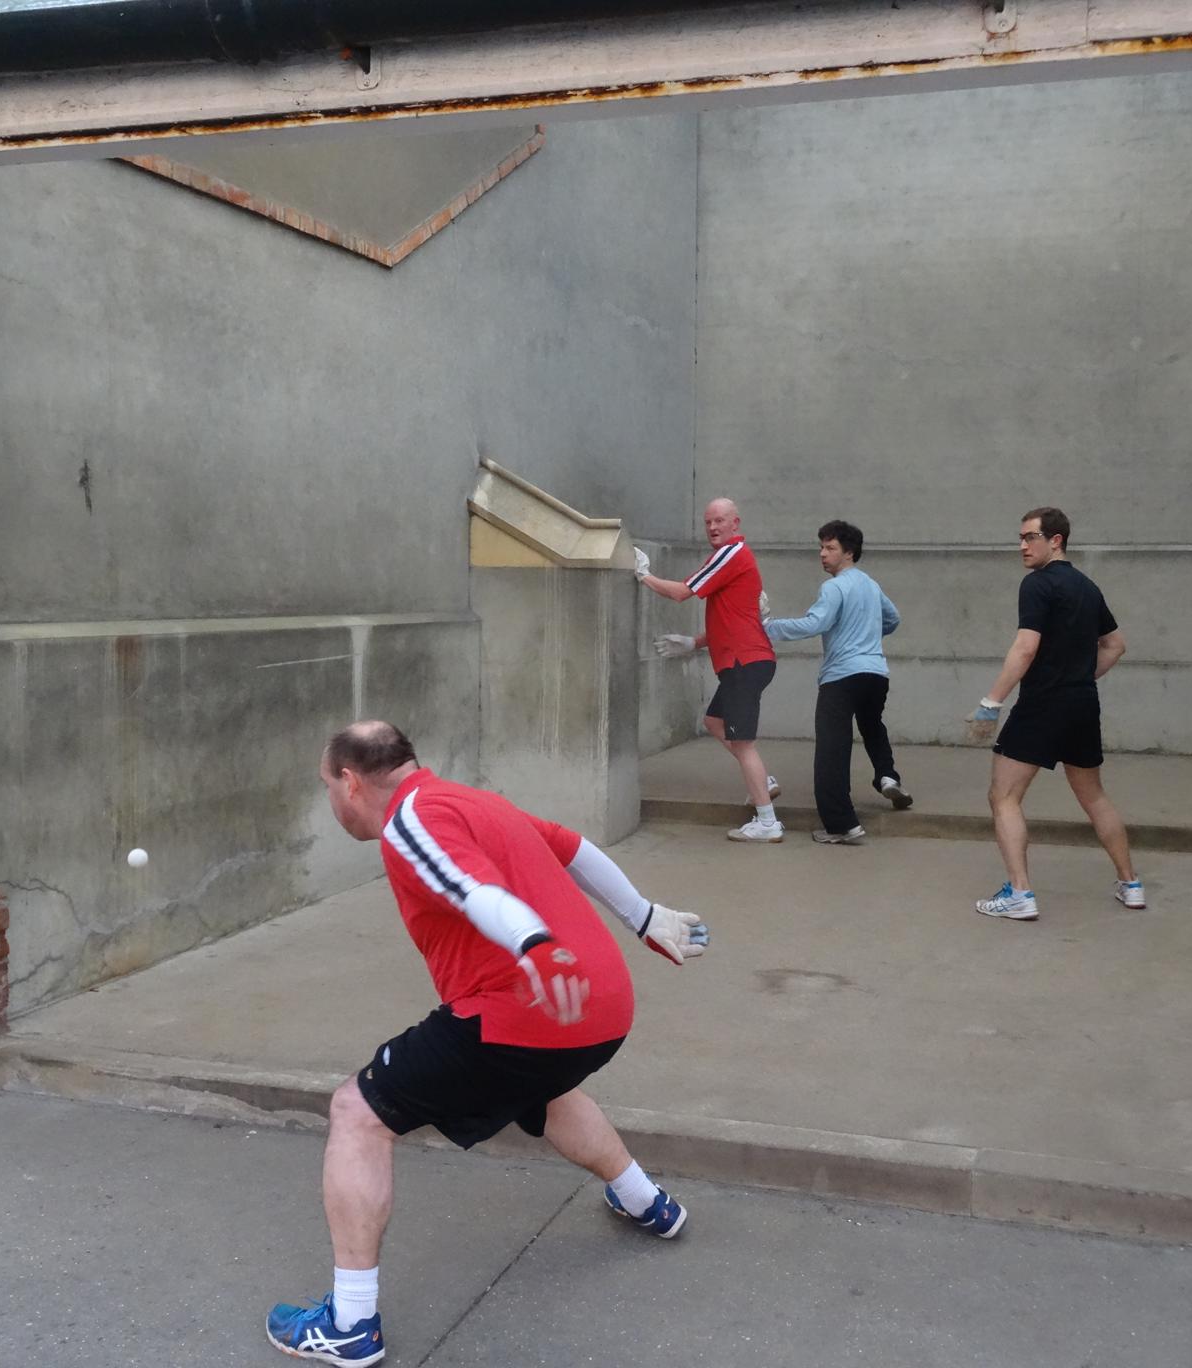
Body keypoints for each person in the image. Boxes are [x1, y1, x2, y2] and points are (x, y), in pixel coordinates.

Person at [265, 721, 710, 1364]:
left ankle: (350, 1325)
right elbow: (574, 846)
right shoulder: (475, 801)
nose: (332, 802)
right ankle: (649, 1203)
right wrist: (642, 915)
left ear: (349, 780)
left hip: (529, 1003)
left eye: (326, 787)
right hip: (599, 1009)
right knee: (546, 1089)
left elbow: (472, 890)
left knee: (357, 1112)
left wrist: (532, 943)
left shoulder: (409, 821)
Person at [964, 507, 1144, 921]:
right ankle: (1131, 884)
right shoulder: (1087, 587)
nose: (1022, 546)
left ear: (1056, 540)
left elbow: (1025, 648)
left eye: (1030, 537)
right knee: (1094, 796)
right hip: (1082, 705)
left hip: (1042, 705)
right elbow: (1115, 645)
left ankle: (1020, 894)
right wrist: (1081, 676)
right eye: (1021, 537)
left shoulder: (1037, 585)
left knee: (1003, 796)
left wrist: (991, 702)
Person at [634, 498, 784, 843]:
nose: (713, 527)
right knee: (715, 722)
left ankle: (767, 822)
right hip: (744, 661)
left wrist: (644, 575)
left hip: (745, 663)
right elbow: (731, 619)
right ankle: (765, 783)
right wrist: (693, 643)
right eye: (708, 522)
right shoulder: (732, 558)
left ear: (736, 523)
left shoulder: (731, 554)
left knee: (743, 743)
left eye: (720, 521)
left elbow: (682, 593)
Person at [762, 519, 911, 845]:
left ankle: (842, 825)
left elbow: (817, 622)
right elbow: (894, 618)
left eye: (830, 548)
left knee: (832, 749)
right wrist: (868, 634)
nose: (822, 554)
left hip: (841, 677)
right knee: (873, 726)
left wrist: (768, 628)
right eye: (821, 547)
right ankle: (887, 776)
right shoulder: (870, 584)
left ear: (849, 552)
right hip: (875, 674)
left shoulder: (834, 587)